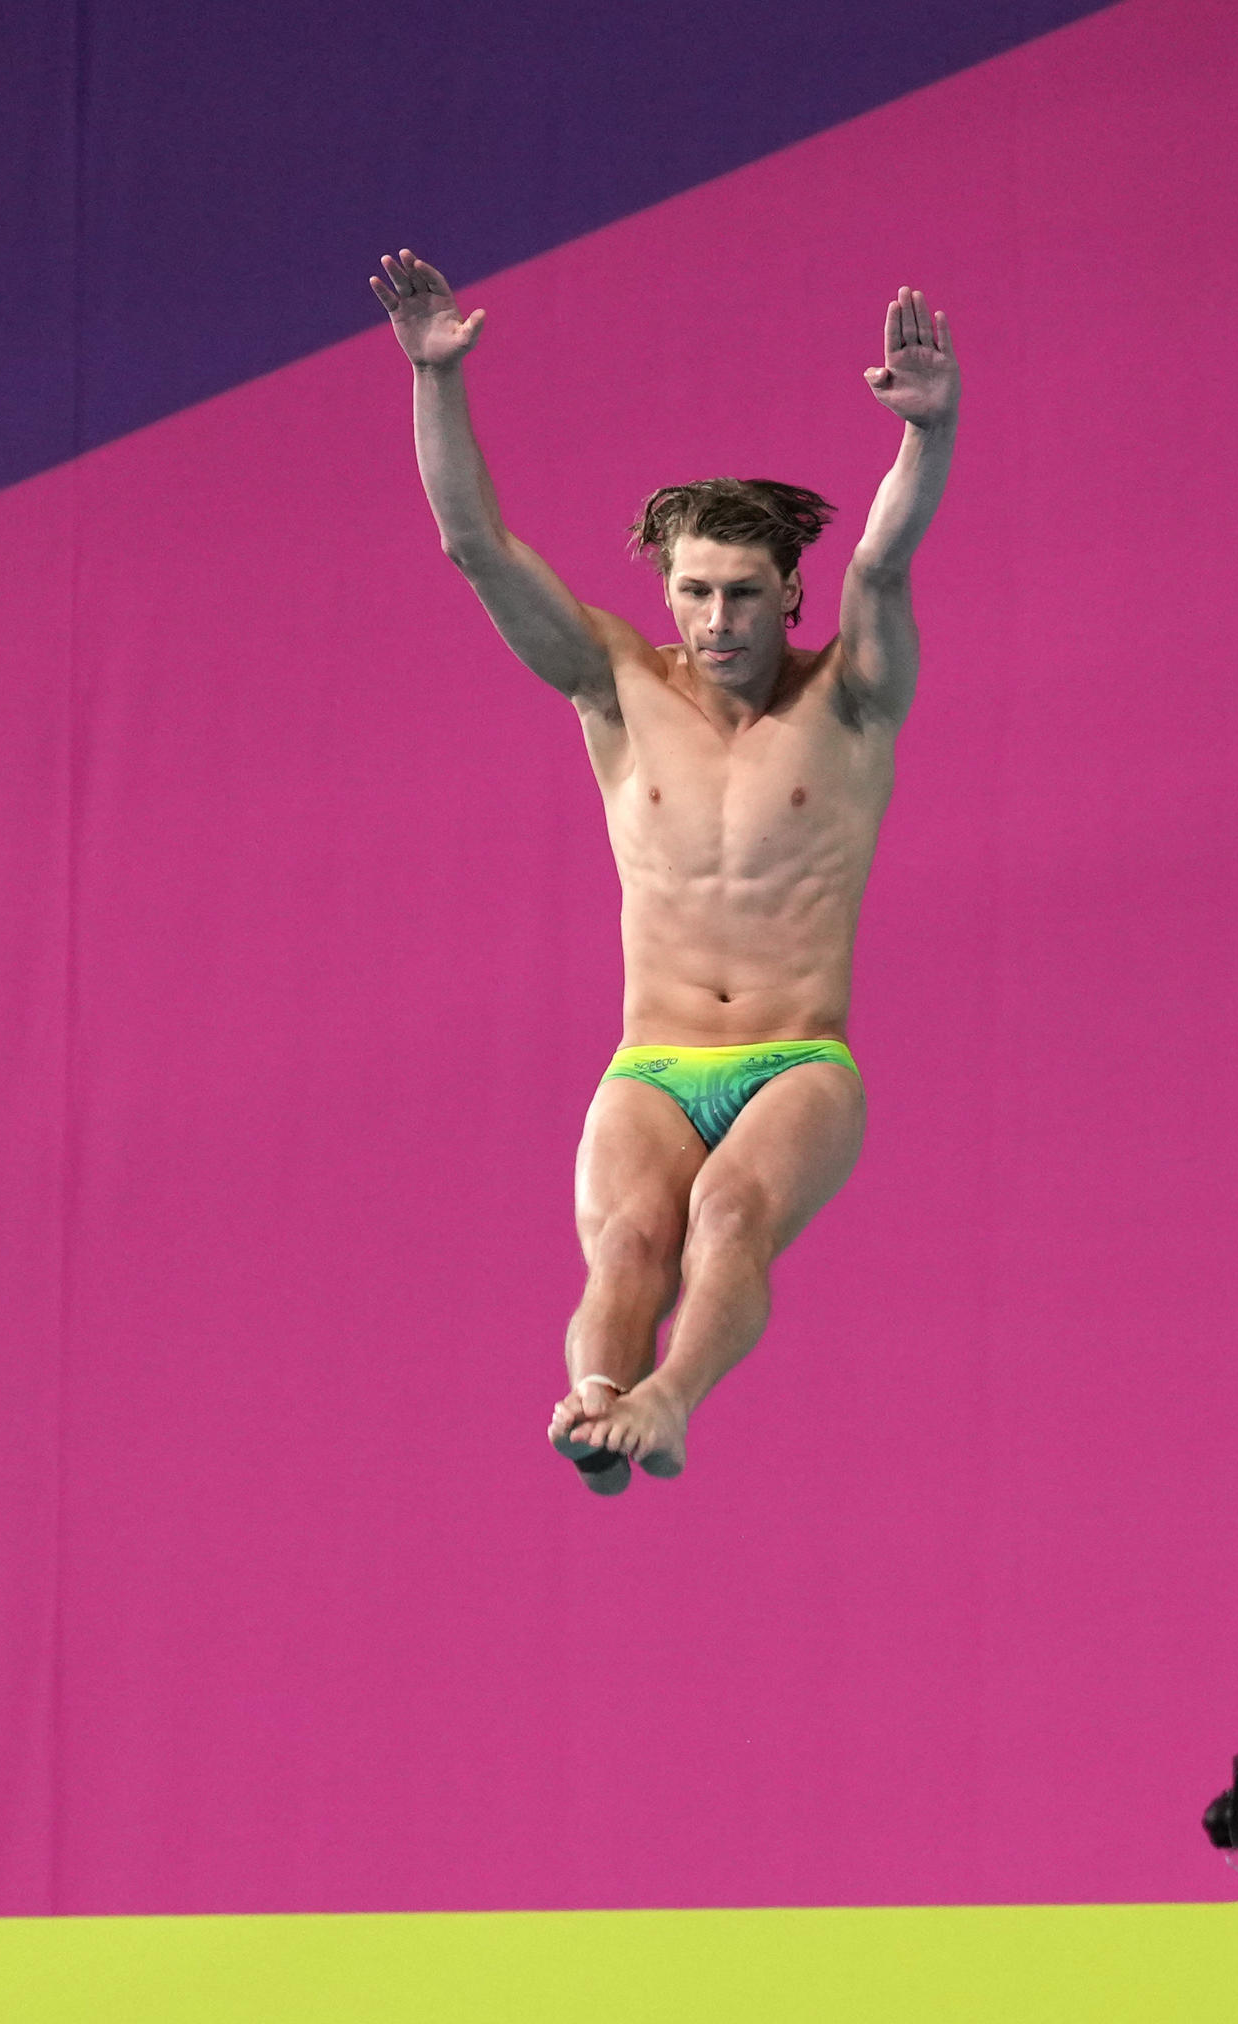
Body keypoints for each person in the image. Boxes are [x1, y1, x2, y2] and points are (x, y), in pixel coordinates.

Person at [372, 254, 960, 1490]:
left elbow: (886, 566)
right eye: (693, 591)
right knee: (629, 1246)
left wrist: (930, 433)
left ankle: (670, 1402)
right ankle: (595, 1406)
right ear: (667, 590)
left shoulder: (849, 699)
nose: (717, 621)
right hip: (652, 1056)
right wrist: (436, 380)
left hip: (797, 1063)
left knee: (727, 1221)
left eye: (743, 594)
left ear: (786, 590)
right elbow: (473, 545)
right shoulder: (615, 687)